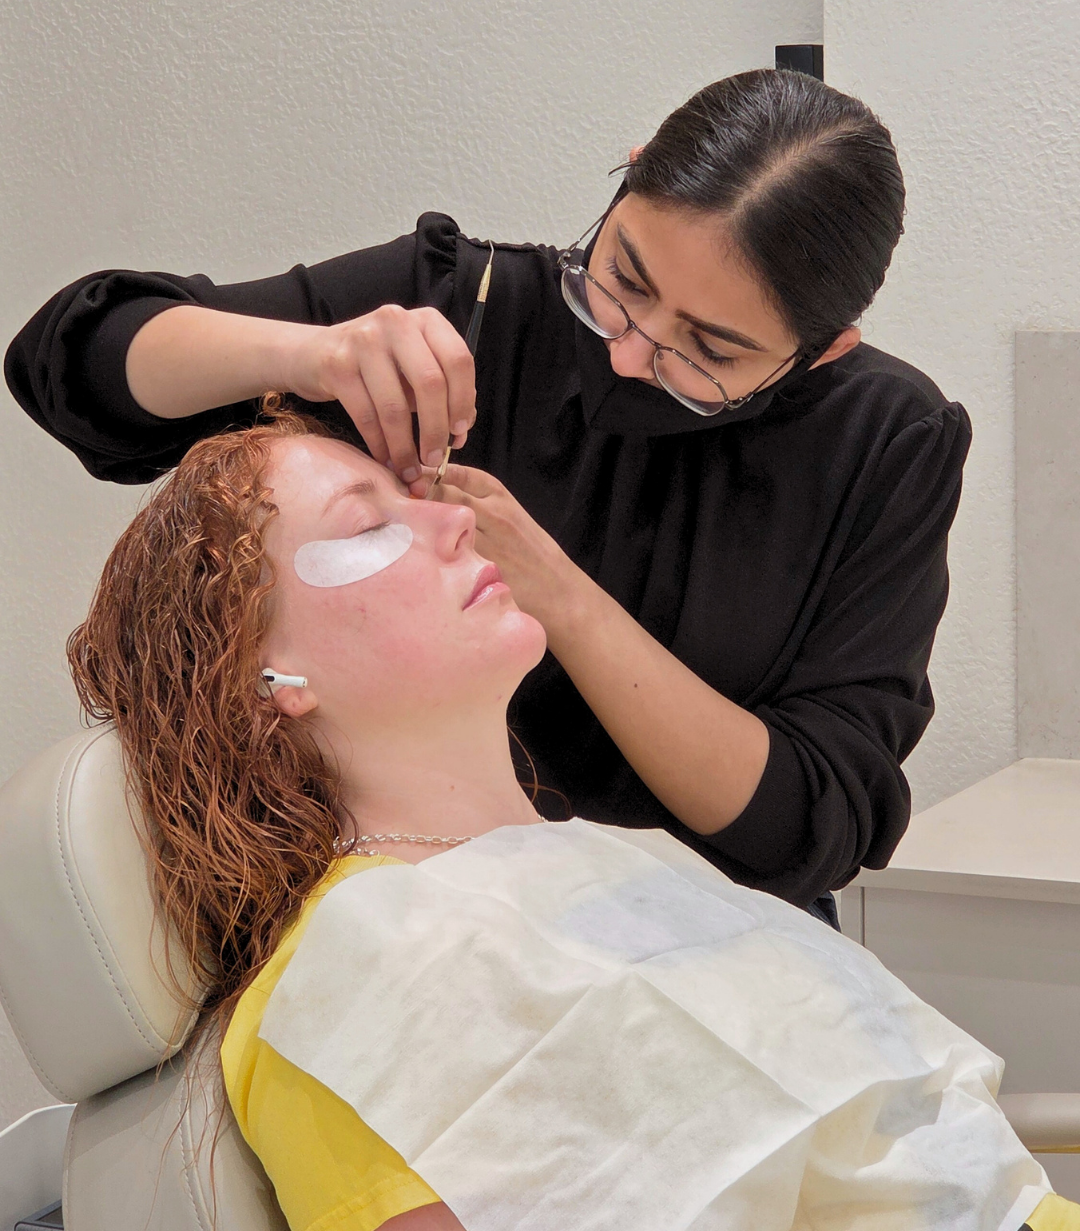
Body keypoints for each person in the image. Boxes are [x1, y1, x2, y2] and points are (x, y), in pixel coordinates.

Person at [65, 408, 1073, 1231]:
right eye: (366, 528)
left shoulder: (615, 858)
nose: (455, 519)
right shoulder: (347, 985)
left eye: (417, 496)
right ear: (265, 681)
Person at [9, 68, 973, 921]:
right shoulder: (463, 305)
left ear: (825, 349)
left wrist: (558, 598)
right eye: (623, 280)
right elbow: (71, 364)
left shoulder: (886, 443)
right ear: (628, 175)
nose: (630, 355)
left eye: (710, 350)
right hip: (425, 927)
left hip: (715, 941)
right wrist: (314, 350)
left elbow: (816, 820)